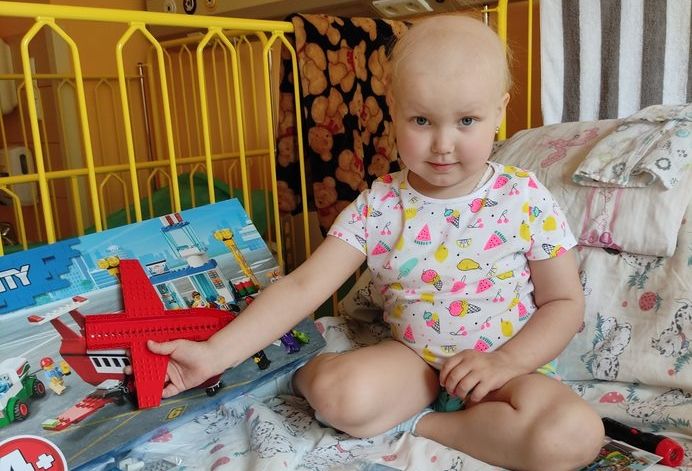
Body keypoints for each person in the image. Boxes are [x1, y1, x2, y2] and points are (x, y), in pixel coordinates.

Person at [146, 15, 604, 470]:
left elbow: (563, 302)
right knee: (338, 395)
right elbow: (303, 286)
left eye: (467, 120)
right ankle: (309, 378)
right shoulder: (381, 204)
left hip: (508, 373)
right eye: (421, 120)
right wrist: (213, 355)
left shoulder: (524, 197)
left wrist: (505, 362)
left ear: (499, 112)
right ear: (394, 108)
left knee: (574, 436)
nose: (443, 144)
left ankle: (425, 426)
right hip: (415, 367)